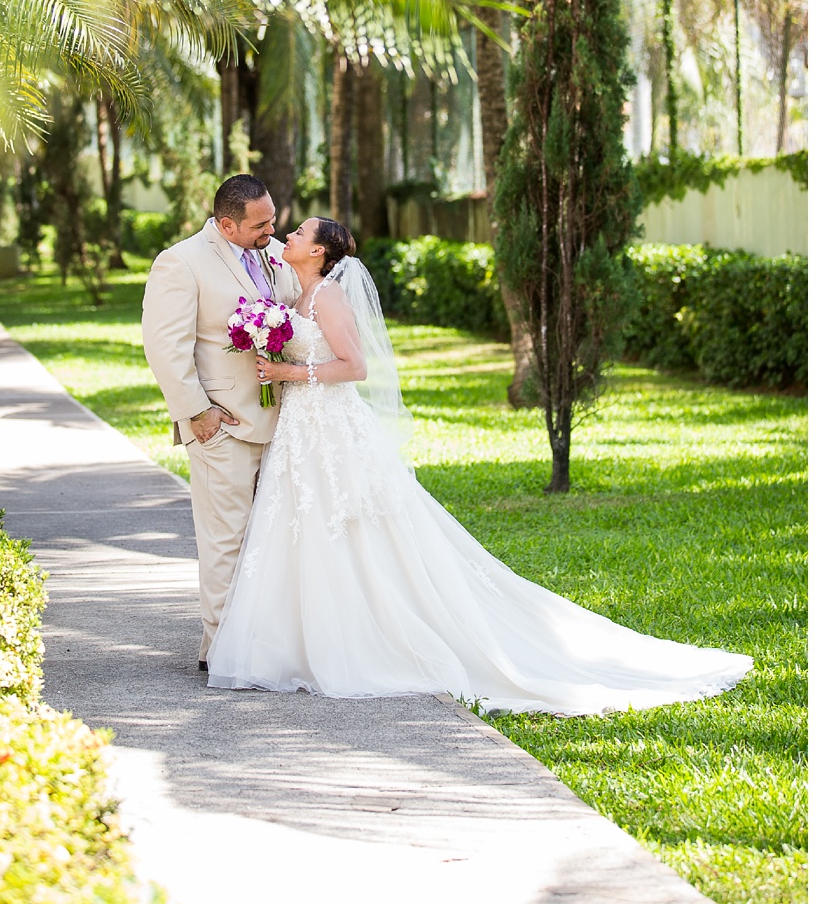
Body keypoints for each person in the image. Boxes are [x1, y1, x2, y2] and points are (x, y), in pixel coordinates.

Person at [205, 214, 752, 712]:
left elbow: (355, 367)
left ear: (320, 253)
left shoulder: (327, 298)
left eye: (299, 233)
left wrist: (290, 375)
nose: (289, 238)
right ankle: (300, 646)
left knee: (346, 528)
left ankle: (365, 640)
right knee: (301, 530)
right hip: (302, 432)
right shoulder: (296, 299)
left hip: (330, 430)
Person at [142, 174, 299, 671]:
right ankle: (223, 652)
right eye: (260, 224)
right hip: (222, 425)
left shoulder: (271, 253)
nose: (272, 231)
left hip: (281, 420)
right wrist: (197, 411)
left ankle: (266, 642)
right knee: (225, 539)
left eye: (273, 219)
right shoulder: (180, 262)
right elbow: (165, 346)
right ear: (227, 225)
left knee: (269, 536)